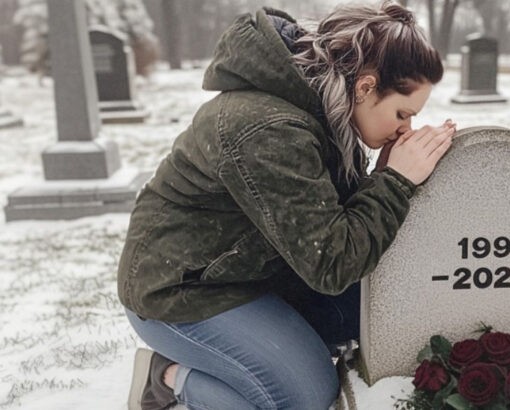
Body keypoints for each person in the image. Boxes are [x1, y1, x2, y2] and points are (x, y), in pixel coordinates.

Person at [118, 2, 456, 409]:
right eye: (403, 114)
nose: (407, 129)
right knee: (304, 396)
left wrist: (383, 180)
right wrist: (393, 183)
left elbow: (329, 222)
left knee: (377, 310)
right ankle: (168, 378)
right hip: (181, 291)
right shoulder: (271, 130)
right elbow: (331, 263)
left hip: (253, 272)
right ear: (365, 87)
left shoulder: (324, 108)